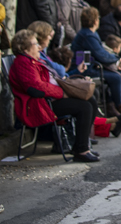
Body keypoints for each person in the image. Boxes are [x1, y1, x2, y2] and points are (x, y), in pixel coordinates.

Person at [8, 28, 99, 163]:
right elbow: (36, 88)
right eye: (35, 44)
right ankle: (81, 150)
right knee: (84, 107)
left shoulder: (32, 60)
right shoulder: (23, 62)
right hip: (38, 105)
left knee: (90, 100)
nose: (39, 47)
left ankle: (81, 145)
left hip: (46, 100)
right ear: (25, 49)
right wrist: (63, 93)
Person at [72, 8, 121, 134]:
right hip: (85, 69)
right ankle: (118, 106)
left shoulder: (90, 33)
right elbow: (100, 54)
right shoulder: (88, 35)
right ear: (95, 21)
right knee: (116, 76)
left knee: (119, 74)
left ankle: (112, 105)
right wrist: (116, 59)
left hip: (90, 66)